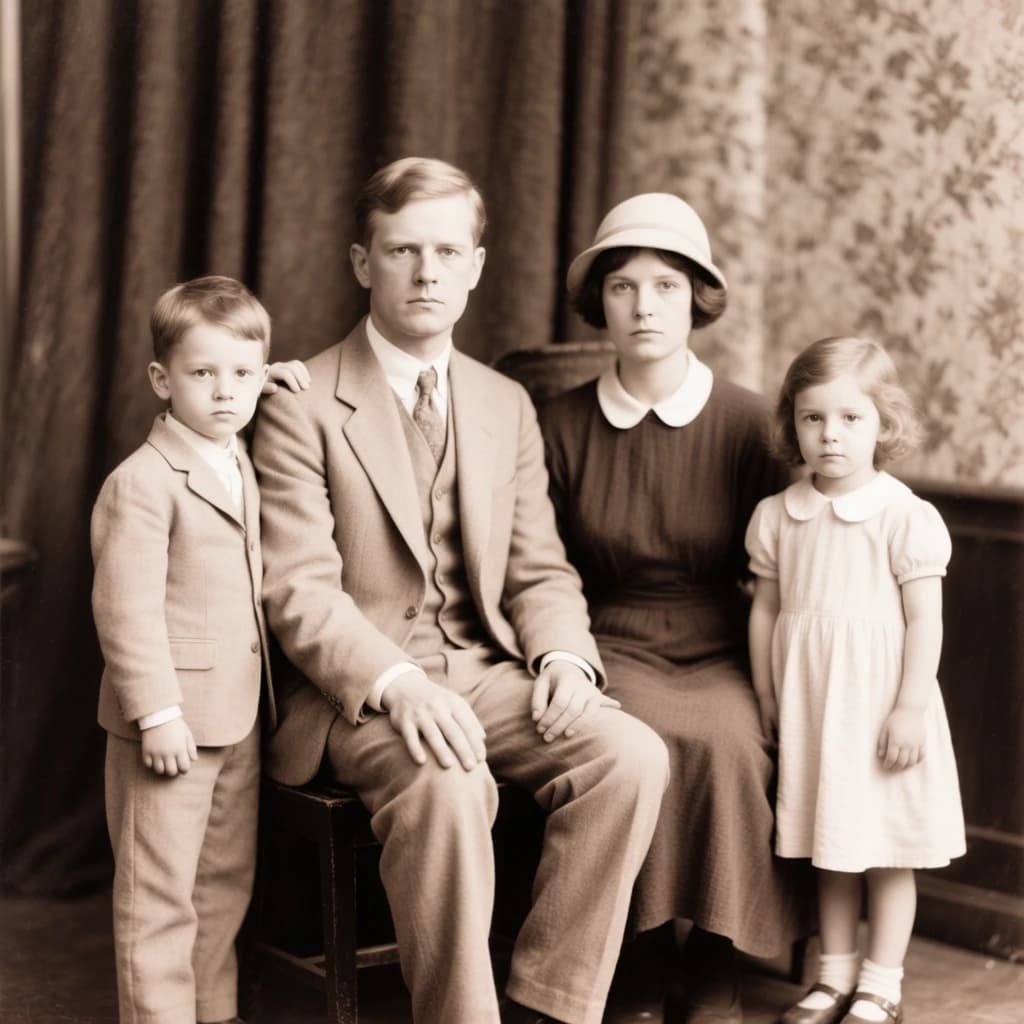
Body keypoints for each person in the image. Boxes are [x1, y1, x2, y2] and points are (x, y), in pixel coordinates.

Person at [251, 157, 669, 1024]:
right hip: (355, 691)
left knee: (629, 757)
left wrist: (563, 658)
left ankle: (553, 1005)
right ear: (364, 262)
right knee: (448, 778)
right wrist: (398, 685)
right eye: (403, 249)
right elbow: (298, 591)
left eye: (448, 251)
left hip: (483, 668)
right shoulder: (301, 401)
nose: (427, 271)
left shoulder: (503, 402)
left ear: (476, 264)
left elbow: (537, 568)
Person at [538, 193, 807, 1024]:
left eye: (664, 285)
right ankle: (642, 951)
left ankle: (719, 953)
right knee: (640, 738)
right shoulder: (558, 423)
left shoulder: (752, 423)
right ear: (600, 306)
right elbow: (537, 566)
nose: (644, 306)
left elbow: (789, 561)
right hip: (605, 637)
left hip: (723, 642)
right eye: (623, 287)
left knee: (728, 739)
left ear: (697, 298)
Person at [91, 275, 310, 1024]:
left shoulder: (233, 451)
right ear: (161, 379)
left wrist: (268, 379)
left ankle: (211, 1014)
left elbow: (240, 391)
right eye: (202, 374)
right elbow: (125, 608)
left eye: (242, 375)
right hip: (172, 719)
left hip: (238, 717)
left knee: (221, 888)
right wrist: (156, 712)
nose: (226, 392)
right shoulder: (143, 483)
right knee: (160, 897)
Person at [745, 336, 966, 1024]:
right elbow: (767, 613)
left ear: (884, 425)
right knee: (832, 847)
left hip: (879, 711)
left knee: (886, 853)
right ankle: (833, 976)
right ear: (793, 426)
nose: (830, 435)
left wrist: (908, 709)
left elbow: (925, 622)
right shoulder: (780, 515)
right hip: (815, 709)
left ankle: (882, 983)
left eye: (851, 419)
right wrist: (768, 693)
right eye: (813, 419)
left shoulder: (903, 517)